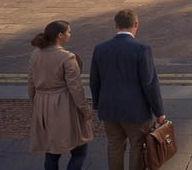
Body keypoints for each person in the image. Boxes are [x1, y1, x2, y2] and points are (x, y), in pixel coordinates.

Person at [88, 9, 166, 170]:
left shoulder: (100, 48)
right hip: (136, 110)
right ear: (136, 24)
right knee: (137, 145)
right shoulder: (142, 49)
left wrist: (98, 104)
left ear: (116, 25)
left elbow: (94, 81)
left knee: (114, 146)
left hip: (109, 107)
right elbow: (149, 83)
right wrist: (159, 111)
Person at [28, 19, 94, 170]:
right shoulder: (67, 57)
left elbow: (31, 83)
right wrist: (85, 110)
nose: (70, 35)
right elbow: (75, 88)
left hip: (43, 103)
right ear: (60, 35)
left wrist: (36, 105)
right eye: (68, 32)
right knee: (79, 150)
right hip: (64, 104)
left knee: (51, 150)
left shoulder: (35, 54)